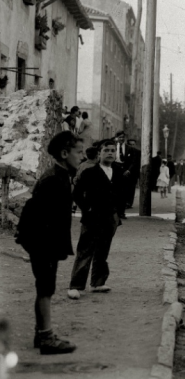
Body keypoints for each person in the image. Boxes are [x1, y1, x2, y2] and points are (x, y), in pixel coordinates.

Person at [15, 131, 82, 354]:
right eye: (78, 152)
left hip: (45, 243)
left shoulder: (61, 176)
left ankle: (41, 332)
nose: (81, 157)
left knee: (46, 288)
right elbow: (37, 215)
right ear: (64, 153)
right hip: (43, 244)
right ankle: (46, 338)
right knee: (45, 289)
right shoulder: (54, 179)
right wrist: (38, 246)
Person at [67, 140, 124, 300]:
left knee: (103, 250)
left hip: (110, 218)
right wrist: (87, 207)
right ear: (99, 154)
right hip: (92, 218)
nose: (110, 153)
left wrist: (118, 213)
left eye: (113, 150)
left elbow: (121, 194)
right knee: (85, 250)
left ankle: (97, 282)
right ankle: (76, 286)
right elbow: (76, 193)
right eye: (106, 150)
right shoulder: (90, 172)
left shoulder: (118, 172)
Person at [114, 131, 140, 215]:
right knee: (115, 191)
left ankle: (122, 212)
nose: (121, 139)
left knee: (124, 191)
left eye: (123, 137)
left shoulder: (129, 148)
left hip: (126, 171)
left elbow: (134, 161)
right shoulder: (113, 147)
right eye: (120, 137)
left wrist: (129, 170)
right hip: (115, 170)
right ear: (116, 138)